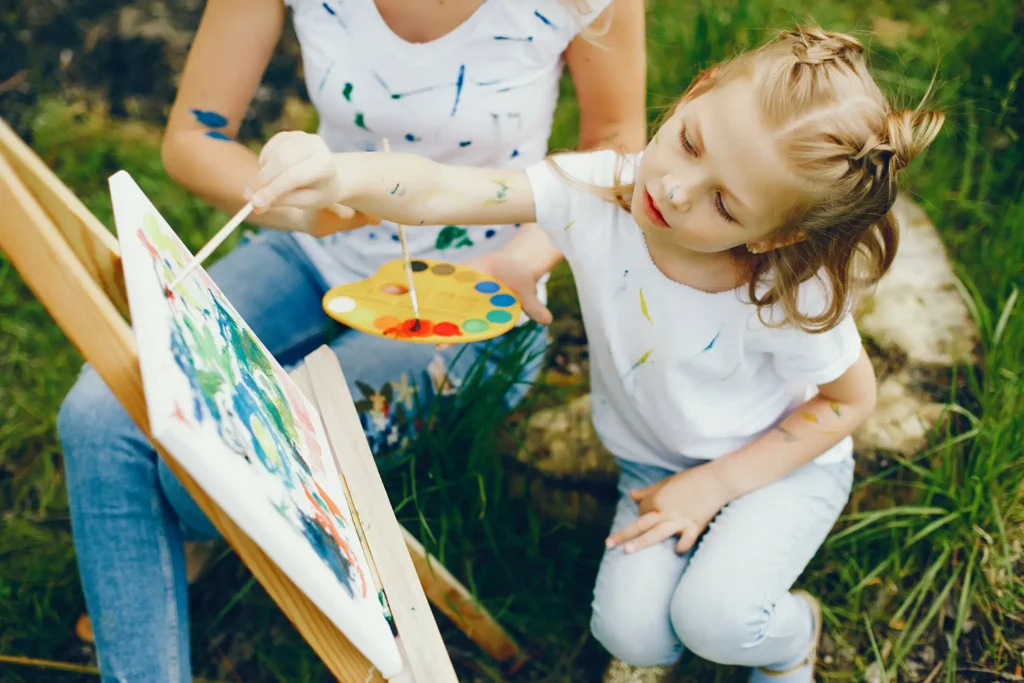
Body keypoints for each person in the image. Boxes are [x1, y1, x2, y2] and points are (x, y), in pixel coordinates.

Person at [248, 25, 944, 683]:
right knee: (633, 634)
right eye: (690, 143)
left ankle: (792, 636)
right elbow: (440, 189)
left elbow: (849, 401)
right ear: (695, 92)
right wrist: (338, 174)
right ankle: (707, 578)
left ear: (770, 238)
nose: (674, 189)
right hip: (653, 463)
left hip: (781, 468)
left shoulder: (783, 292)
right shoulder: (594, 191)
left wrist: (713, 486)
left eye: (725, 206)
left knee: (715, 619)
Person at [56, 0, 646, 680]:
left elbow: (615, 142)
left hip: (477, 295)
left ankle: (180, 528)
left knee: (200, 474)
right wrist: (285, 198)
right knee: (101, 413)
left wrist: (525, 259)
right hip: (312, 254)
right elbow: (192, 136)